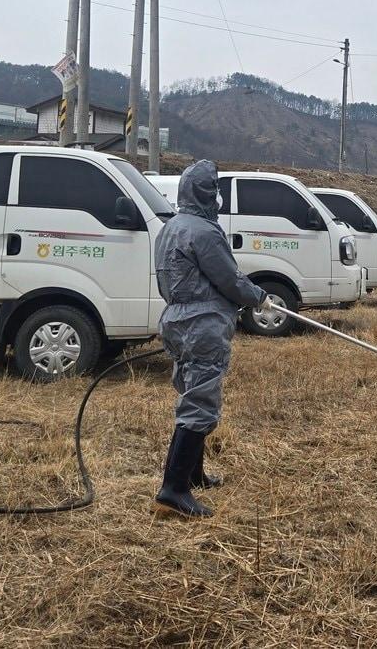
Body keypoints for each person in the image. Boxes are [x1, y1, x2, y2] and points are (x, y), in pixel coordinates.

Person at [152, 159, 267, 518]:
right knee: (200, 403)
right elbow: (229, 279)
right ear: (206, 193)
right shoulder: (204, 231)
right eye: (214, 189)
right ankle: (174, 490)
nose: (217, 196)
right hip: (202, 324)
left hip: (176, 319)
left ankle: (193, 474)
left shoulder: (171, 227)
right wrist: (258, 296)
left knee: (192, 395)